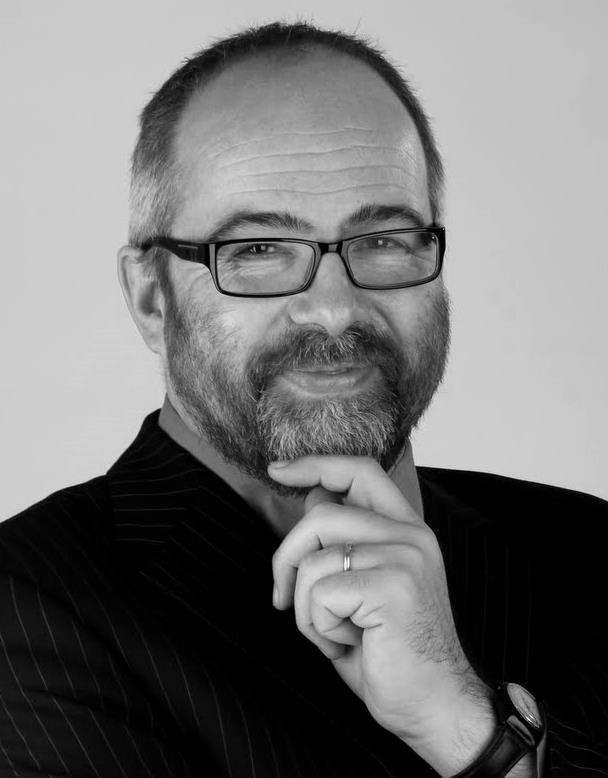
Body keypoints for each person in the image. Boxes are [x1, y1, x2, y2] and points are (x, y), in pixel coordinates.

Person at [1, 20, 606, 778]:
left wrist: (467, 728)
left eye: (383, 239)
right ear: (151, 296)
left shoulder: (593, 555)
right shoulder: (28, 605)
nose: (333, 309)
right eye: (256, 250)